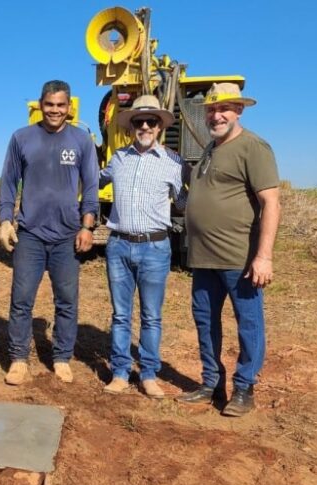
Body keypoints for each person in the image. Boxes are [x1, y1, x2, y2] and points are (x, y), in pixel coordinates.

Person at [178, 83, 281, 417]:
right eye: (211, 109)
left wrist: (263, 255)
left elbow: (271, 203)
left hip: (240, 259)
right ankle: (211, 383)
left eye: (224, 108)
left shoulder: (253, 147)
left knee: (248, 323)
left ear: (239, 110)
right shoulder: (210, 148)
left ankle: (244, 388)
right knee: (205, 321)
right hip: (204, 258)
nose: (216, 115)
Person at [0, 80, 99, 385]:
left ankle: (62, 357)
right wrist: (5, 219)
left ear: (69, 108)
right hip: (30, 233)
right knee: (22, 299)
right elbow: (9, 182)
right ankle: (18, 358)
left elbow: (91, 186)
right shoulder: (22, 138)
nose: (55, 110)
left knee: (67, 300)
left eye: (61, 105)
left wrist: (86, 226)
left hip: (67, 235)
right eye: (49, 104)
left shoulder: (81, 140)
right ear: (40, 105)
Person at [99, 95, 189, 399]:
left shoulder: (174, 163)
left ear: (161, 126)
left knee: (151, 315)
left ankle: (149, 374)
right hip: (119, 246)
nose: (146, 126)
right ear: (132, 126)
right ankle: (121, 373)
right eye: (139, 121)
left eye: (152, 121)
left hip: (154, 247)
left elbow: (185, 202)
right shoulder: (118, 159)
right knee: (120, 315)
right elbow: (92, 182)